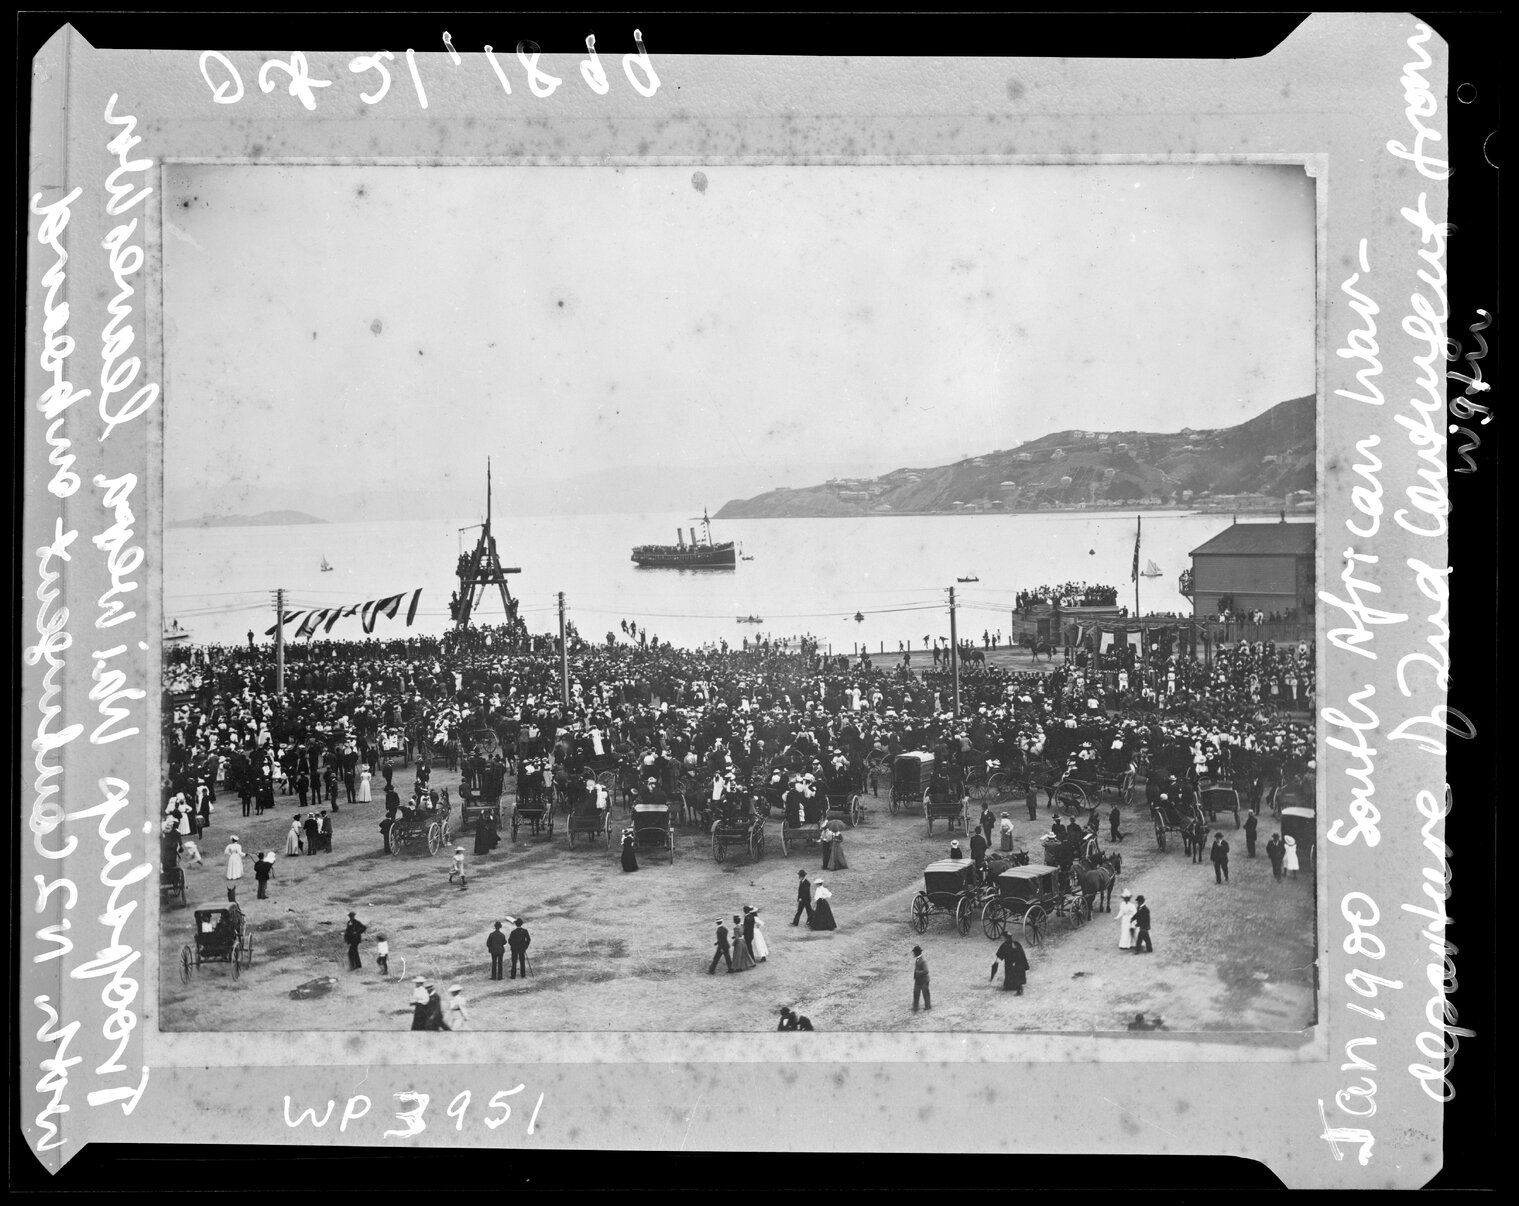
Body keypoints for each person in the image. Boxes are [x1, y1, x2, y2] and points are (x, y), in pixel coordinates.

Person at [223, 835, 244, 901]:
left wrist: (231, 854)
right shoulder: (238, 846)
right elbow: (240, 853)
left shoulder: (230, 846)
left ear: (232, 840)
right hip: (237, 856)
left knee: (232, 866)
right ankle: (236, 875)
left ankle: (231, 876)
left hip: (232, 857)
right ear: (237, 840)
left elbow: (226, 852)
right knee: (237, 866)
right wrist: (244, 854)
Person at [911, 946, 931, 1012]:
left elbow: (926, 971)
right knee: (916, 993)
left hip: (924, 980)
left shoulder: (923, 960)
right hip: (918, 980)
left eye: (914, 952)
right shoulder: (918, 959)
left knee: (925, 993)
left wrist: (918, 972)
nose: (913, 953)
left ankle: (928, 1006)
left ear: (917, 952)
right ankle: (915, 1007)